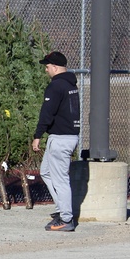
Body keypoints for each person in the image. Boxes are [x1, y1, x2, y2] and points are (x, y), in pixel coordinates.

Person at [32, 51, 81, 232]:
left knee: (60, 179)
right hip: (68, 137)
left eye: (47, 66)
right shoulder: (70, 84)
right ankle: (62, 209)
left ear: (54, 67)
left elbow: (47, 113)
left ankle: (66, 219)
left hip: (60, 139)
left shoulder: (56, 86)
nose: (46, 70)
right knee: (46, 172)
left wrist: (38, 135)